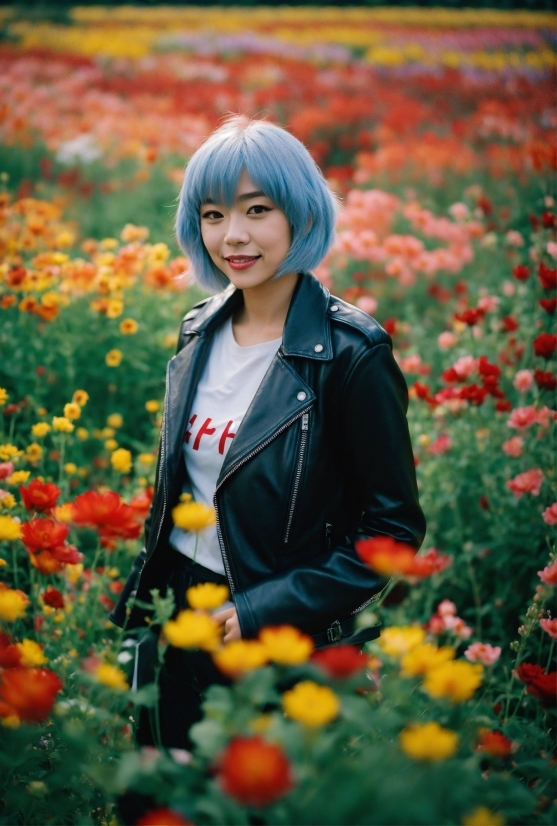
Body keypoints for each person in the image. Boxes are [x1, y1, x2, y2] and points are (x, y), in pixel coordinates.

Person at [110, 115, 426, 756]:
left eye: (257, 209)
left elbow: (393, 532)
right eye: (213, 214)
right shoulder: (198, 330)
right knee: (162, 796)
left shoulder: (350, 355)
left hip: (274, 633)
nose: (234, 236)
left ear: (300, 214)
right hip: (176, 614)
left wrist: (263, 609)